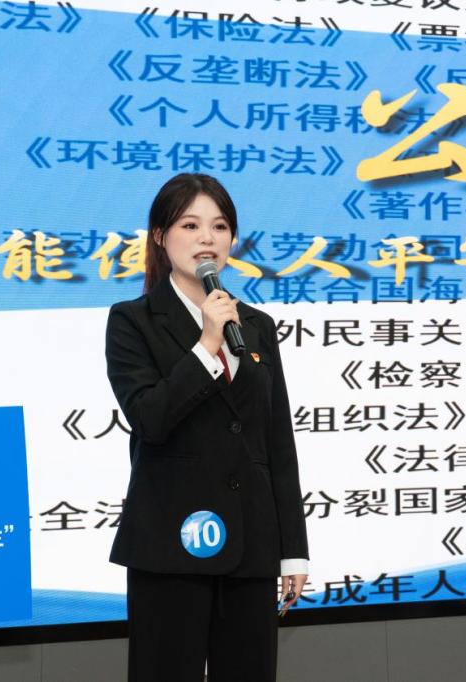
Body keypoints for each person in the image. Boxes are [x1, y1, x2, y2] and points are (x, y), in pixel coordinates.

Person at [104, 173, 309, 682]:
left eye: (219, 227)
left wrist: (292, 550)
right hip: (171, 543)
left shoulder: (256, 326)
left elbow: (276, 441)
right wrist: (206, 345)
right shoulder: (132, 321)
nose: (207, 239)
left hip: (251, 545)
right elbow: (150, 419)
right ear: (160, 235)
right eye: (190, 225)